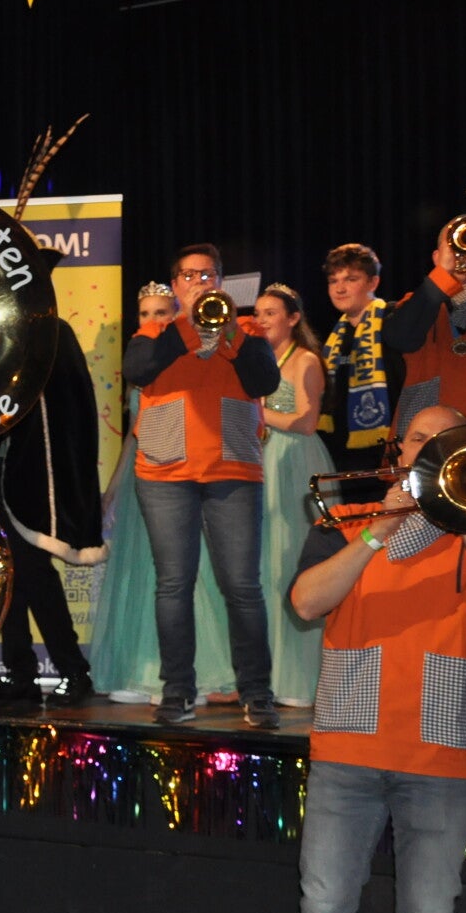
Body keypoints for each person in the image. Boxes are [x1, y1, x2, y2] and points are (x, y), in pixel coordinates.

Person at [258, 404, 466, 913]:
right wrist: (376, 530)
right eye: (420, 439)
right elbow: (304, 602)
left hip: (441, 756)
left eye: (447, 442)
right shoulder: (351, 515)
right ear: (397, 451)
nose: (431, 450)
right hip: (348, 753)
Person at [124, 244, 281, 728]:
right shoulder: (154, 332)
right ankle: (178, 691)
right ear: (176, 286)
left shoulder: (246, 330)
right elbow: (138, 370)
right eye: (190, 276)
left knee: (242, 586)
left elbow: (263, 381)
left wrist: (227, 331)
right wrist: (188, 325)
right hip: (165, 470)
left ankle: (257, 693)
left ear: (221, 281)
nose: (200, 283)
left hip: (232, 467)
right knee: (174, 585)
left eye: (208, 275)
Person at [90, 284, 235, 704]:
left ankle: (191, 676)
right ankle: (141, 672)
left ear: (175, 316)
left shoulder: (187, 356)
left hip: (179, 480)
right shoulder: (141, 365)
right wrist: (113, 490)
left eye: (160, 312)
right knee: (143, 576)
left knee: (181, 577)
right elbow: (133, 438)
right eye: (145, 313)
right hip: (142, 480)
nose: (152, 320)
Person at [0, 293, 104, 709]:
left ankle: (72, 669)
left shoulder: (53, 335)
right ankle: (21, 673)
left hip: (30, 475)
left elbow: (67, 408)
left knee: (34, 574)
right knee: (4, 574)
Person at [251, 284, 332, 705]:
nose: (262, 320)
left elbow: (306, 420)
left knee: (291, 561)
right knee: (263, 566)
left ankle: (300, 679)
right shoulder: (257, 360)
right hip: (261, 460)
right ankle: (265, 676)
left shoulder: (305, 360)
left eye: (271, 313)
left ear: (293, 318)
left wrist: (259, 412)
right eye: (258, 313)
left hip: (295, 462)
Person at [318, 244, 401, 502]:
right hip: (339, 454)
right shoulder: (332, 336)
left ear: (373, 282)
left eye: (351, 279)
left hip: (384, 453)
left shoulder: (393, 320)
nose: (340, 288)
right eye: (333, 281)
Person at [386, 227, 466, 427]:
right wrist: (442, 275)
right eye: (453, 246)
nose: (463, 254)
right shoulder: (416, 303)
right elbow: (399, 339)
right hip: (424, 432)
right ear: (436, 257)